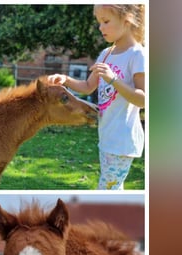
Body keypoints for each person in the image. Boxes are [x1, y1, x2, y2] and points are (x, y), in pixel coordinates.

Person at [48, 5, 146, 190]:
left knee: (107, 189)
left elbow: (143, 99)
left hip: (122, 141)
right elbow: (87, 87)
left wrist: (113, 79)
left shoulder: (137, 55)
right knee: (114, 188)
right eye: (99, 22)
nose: (100, 27)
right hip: (106, 137)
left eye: (106, 21)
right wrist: (66, 80)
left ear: (127, 20)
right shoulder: (106, 54)